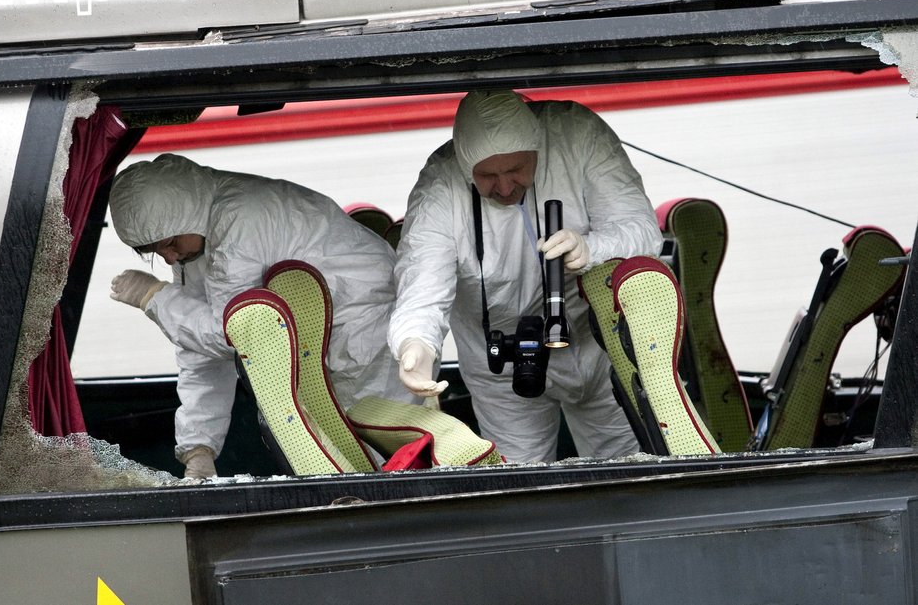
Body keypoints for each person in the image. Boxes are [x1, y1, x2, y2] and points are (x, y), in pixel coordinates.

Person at [389, 90, 664, 464]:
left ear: (538, 148)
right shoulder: (441, 183)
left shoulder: (576, 135)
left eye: (516, 169)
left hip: (596, 347)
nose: (504, 187)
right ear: (465, 165)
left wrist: (591, 248)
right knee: (522, 482)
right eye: (486, 176)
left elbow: (643, 231)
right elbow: (422, 283)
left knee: (628, 471)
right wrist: (415, 344)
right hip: (503, 370)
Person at [108, 153, 418, 478]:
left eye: (170, 243)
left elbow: (231, 334)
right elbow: (200, 345)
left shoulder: (239, 222)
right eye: (157, 251)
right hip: (323, 334)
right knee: (359, 461)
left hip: (363, 328)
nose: (170, 258)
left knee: (390, 455)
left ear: (186, 213)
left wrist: (155, 299)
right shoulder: (196, 234)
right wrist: (197, 448)